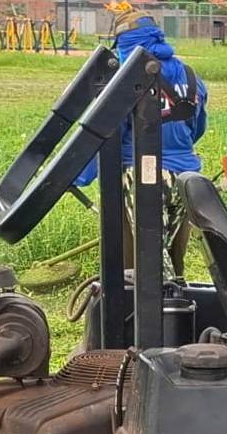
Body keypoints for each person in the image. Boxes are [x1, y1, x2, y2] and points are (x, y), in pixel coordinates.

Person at [74, 15, 207, 276]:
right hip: (186, 178)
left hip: (142, 177)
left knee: (143, 261)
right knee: (173, 255)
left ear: (126, 46)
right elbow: (197, 128)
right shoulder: (192, 79)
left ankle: (145, 313)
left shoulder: (129, 83)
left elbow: (106, 132)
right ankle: (178, 308)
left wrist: (78, 176)